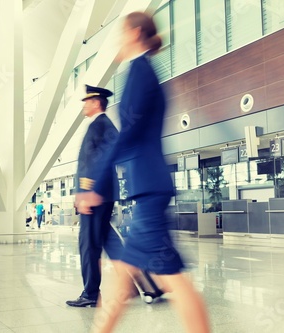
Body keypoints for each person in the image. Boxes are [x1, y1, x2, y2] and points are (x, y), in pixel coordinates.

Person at [77, 12, 210, 333]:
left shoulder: (139, 71)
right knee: (123, 277)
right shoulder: (142, 70)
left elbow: (130, 134)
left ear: (135, 33)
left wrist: (97, 185)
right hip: (147, 187)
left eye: (121, 34)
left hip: (149, 188)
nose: (119, 42)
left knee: (171, 278)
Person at [66, 85, 122, 307]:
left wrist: (87, 191)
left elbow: (95, 163)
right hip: (100, 193)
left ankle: (90, 294)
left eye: (87, 101)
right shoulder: (101, 125)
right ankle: (140, 283)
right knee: (109, 240)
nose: (84, 104)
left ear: (96, 102)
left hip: (95, 195)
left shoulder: (99, 126)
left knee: (88, 243)